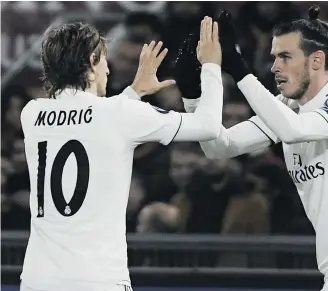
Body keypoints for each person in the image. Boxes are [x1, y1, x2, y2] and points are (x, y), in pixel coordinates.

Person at [175, 7, 328, 291]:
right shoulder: (285, 108)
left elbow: (293, 131)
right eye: (274, 57)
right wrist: (192, 93)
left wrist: (237, 66)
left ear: (316, 60)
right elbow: (220, 147)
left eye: (285, 56)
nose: (275, 66)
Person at [20, 16, 222, 291]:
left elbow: (91, 121)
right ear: (92, 62)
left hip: (37, 280)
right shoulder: (120, 114)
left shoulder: (32, 113)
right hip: (98, 280)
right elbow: (209, 126)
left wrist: (133, 92)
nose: (108, 69)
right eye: (104, 60)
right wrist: (211, 65)